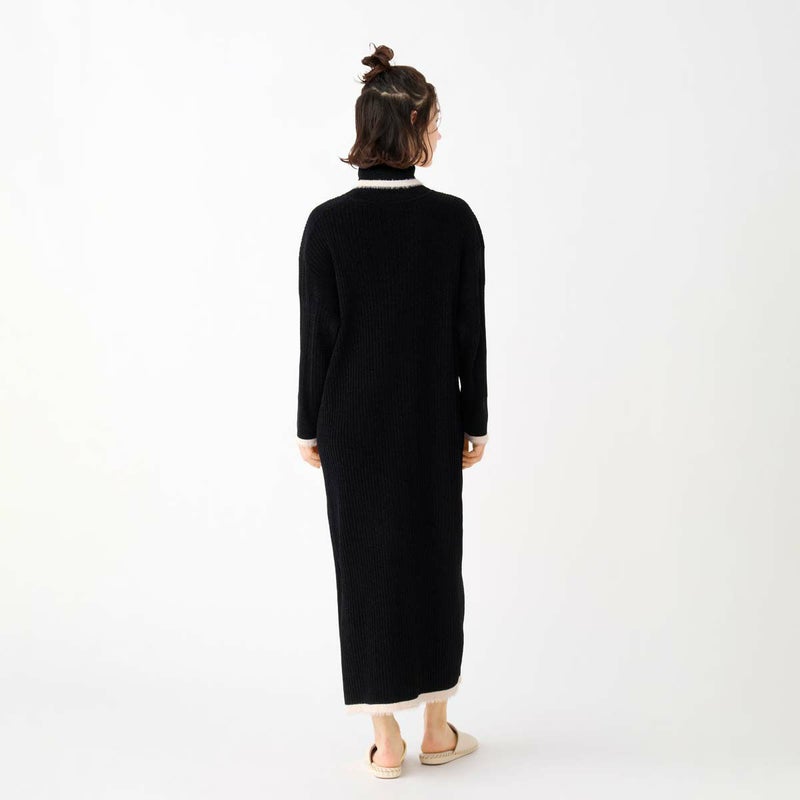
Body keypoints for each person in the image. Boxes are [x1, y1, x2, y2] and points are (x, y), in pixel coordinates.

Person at [295, 43, 488, 778]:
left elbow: (318, 336)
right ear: (412, 128)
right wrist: (476, 421)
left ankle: (386, 741)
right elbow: (469, 334)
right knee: (436, 559)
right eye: (435, 121)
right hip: (432, 419)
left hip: (350, 423)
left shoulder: (326, 224)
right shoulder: (454, 221)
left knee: (366, 566)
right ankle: (437, 729)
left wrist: (309, 425)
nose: (439, 133)